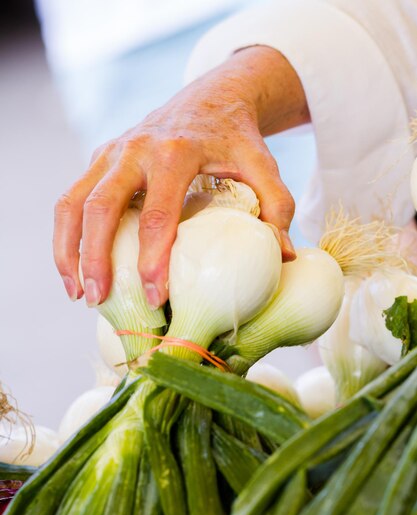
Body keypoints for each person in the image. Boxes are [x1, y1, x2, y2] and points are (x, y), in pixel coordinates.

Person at [53, 0, 417, 310]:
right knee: (158, 283)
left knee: (335, 281)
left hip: (298, 11)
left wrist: (231, 91)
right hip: (120, 35)